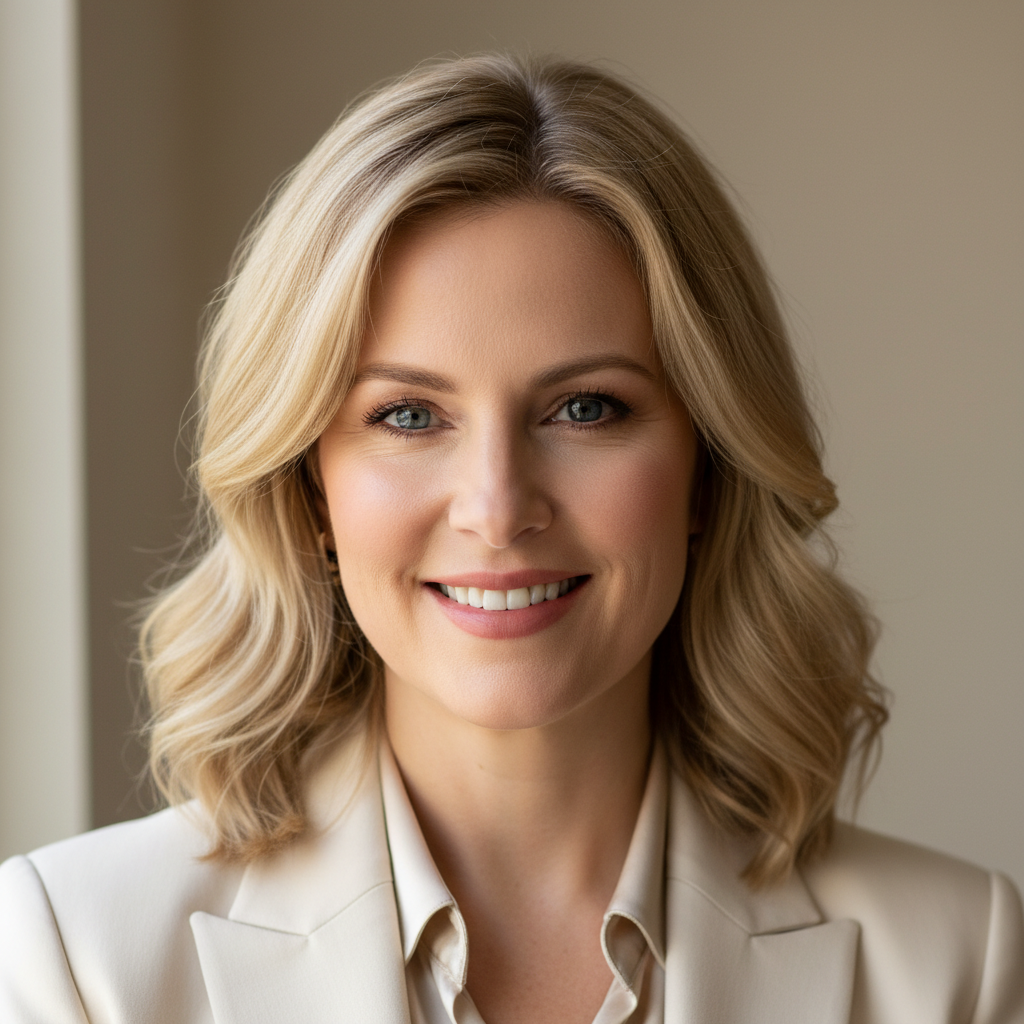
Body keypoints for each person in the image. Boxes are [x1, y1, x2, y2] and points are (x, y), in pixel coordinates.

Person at [1, 52, 1021, 1024]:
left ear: (709, 465)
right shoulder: (78, 957)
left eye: (584, 408)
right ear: (310, 488)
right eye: (407, 415)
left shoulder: (953, 961)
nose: (496, 508)